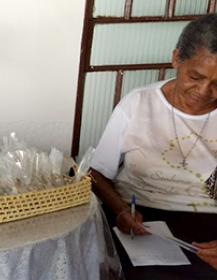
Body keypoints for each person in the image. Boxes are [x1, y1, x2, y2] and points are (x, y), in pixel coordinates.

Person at [89, 14, 217, 277]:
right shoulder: (138, 103)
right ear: (176, 59)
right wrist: (121, 210)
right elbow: (96, 173)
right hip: (139, 221)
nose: (203, 91)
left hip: (209, 228)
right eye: (195, 76)